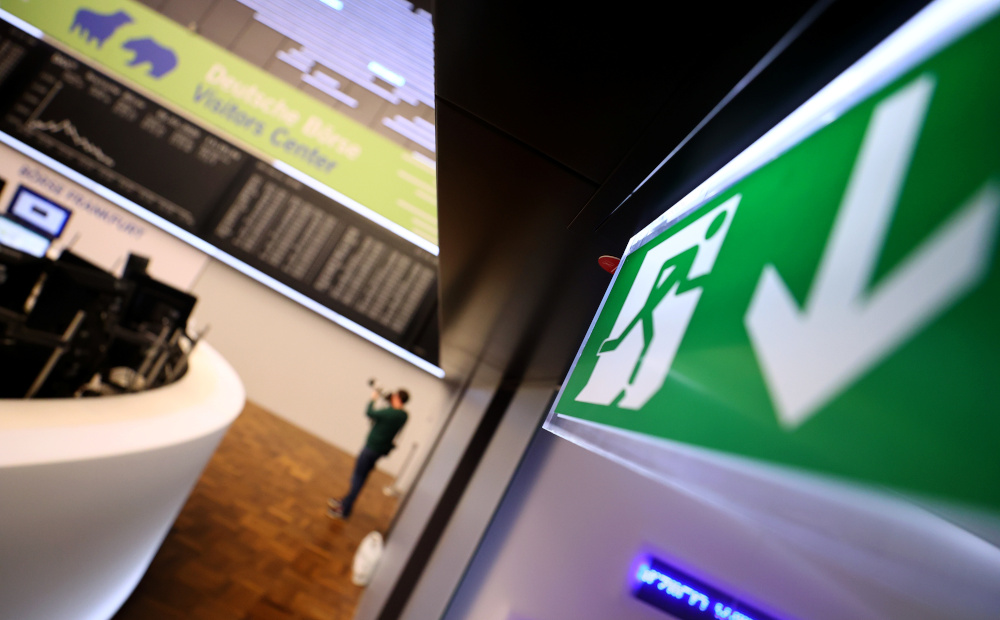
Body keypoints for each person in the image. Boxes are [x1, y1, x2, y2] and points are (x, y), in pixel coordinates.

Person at [327, 387, 409, 520]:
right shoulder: (404, 416)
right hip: (379, 451)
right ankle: (345, 501)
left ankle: (344, 509)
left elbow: (370, 412)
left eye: (394, 396)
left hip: (370, 449)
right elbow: (392, 415)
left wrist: (373, 399)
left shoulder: (390, 413)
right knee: (361, 477)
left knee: (357, 479)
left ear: (398, 398)